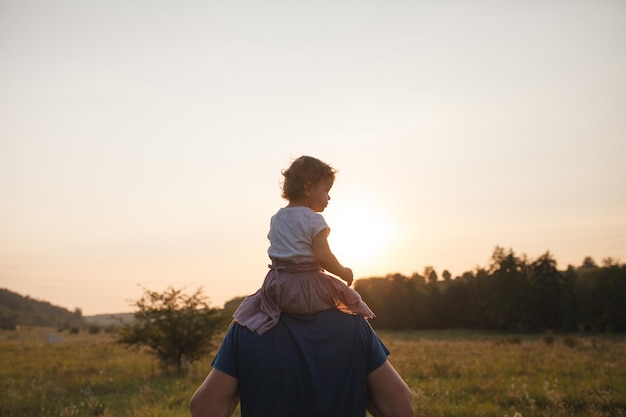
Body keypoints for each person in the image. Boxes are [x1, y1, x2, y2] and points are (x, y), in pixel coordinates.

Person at [232, 155, 374, 335]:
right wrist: (343, 271)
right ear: (308, 189)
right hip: (305, 289)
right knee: (351, 300)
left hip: (276, 288)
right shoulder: (314, 220)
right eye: (326, 190)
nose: (329, 197)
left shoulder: (277, 218)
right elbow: (324, 256)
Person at [190, 309, 414, 417]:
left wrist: (244, 380)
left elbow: (203, 409)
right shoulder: (354, 326)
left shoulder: (248, 327)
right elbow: (399, 406)